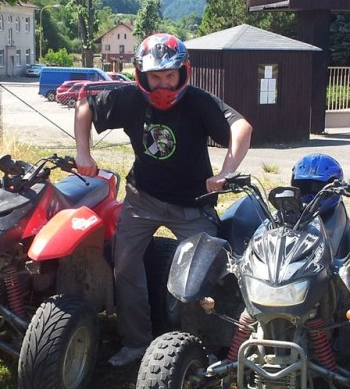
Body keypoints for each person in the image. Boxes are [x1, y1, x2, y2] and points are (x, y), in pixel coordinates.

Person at [74, 33, 253, 367]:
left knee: (208, 275)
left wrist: (227, 171)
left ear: (184, 72)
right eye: (155, 77)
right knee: (125, 266)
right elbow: (84, 105)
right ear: (141, 75)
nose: (163, 85)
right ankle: (136, 342)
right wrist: (82, 151)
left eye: (170, 75)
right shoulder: (129, 98)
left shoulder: (198, 102)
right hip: (142, 199)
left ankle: (204, 348)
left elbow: (241, 126)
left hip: (193, 204)